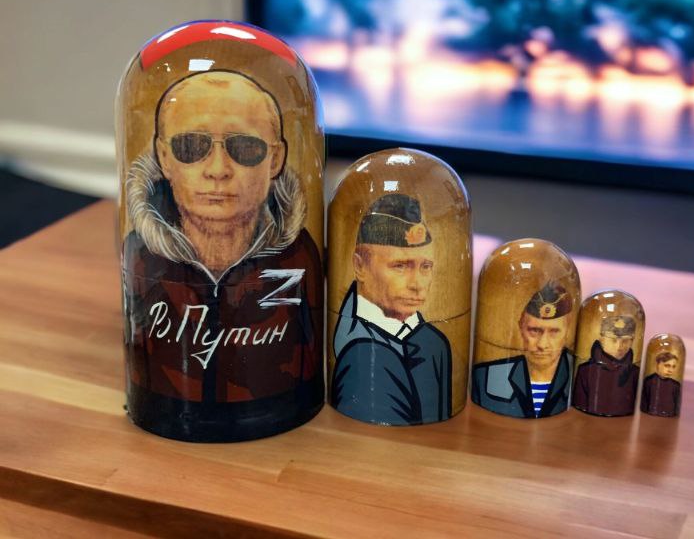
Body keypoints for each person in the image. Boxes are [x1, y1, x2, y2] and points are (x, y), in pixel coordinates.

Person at [122, 70, 322, 411]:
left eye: (245, 148)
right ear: (164, 157)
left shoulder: (298, 258)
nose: (217, 170)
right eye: (191, 146)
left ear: (275, 160)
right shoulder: (142, 258)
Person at [330, 194, 452, 425]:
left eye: (425, 266)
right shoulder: (360, 351)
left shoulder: (433, 343)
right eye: (400, 266)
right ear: (360, 266)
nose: (417, 284)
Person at [472, 282, 574, 418]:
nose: (542, 344)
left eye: (554, 332)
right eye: (534, 330)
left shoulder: (582, 378)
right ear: (521, 327)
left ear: (568, 331)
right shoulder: (485, 378)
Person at [572, 315, 640, 416]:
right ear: (602, 339)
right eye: (613, 340)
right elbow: (579, 406)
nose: (619, 346)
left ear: (632, 341)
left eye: (625, 341)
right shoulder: (585, 370)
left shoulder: (634, 372)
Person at [641, 352, 682, 416]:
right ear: (658, 364)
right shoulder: (648, 381)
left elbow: (676, 409)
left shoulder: (676, 385)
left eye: (673, 367)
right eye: (667, 366)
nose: (670, 370)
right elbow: (644, 406)